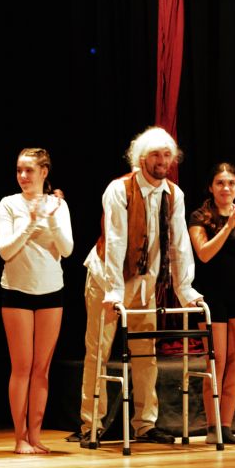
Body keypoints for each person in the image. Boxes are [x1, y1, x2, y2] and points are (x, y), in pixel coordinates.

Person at [70, 126, 201, 445]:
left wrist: (185, 289)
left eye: (167, 155)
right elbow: (116, 240)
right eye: (155, 154)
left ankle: (145, 423)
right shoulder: (120, 189)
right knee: (98, 351)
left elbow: (180, 244)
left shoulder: (174, 194)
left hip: (145, 283)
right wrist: (114, 291)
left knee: (145, 352)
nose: (162, 161)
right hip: (107, 278)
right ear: (141, 158)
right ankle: (91, 423)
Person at [0, 148, 73, 454]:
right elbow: (5, 250)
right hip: (17, 291)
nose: (23, 176)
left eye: (29, 170)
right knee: (22, 367)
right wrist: (29, 225)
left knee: (42, 369)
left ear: (44, 172)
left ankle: (36, 436)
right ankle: (20, 437)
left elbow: (67, 249)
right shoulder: (9, 204)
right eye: (19, 170)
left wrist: (51, 220)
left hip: (51, 291)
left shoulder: (58, 205)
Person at [187, 163, 235, 444]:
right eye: (220, 183)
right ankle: (212, 427)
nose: (226, 188)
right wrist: (227, 226)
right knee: (215, 361)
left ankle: (226, 425)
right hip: (212, 296)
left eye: (231, 183)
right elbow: (204, 254)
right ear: (211, 187)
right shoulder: (199, 216)